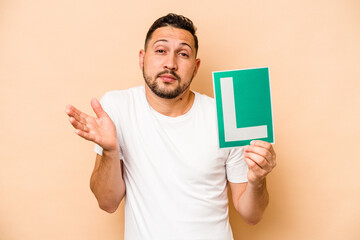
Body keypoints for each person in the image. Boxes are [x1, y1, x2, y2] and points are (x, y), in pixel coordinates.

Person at [65, 13, 276, 240]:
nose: (170, 63)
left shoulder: (226, 116)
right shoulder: (117, 108)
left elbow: (252, 215)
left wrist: (257, 179)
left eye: (183, 54)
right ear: (142, 58)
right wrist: (109, 151)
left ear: (195, 68)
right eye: (160, 50)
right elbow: (107, 203)